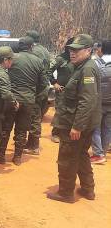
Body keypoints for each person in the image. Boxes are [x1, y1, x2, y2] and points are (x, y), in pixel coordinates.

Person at [47, 34, 100, 203]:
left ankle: (65, 193)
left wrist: (77, 126)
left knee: (67, 158)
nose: (72, 53)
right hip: (82, 122)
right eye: (71, 50)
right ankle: (87, 189)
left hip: (76, 124)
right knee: (81, 155)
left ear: (88, 51)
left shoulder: (87, 69)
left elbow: (87, 100)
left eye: (77, 50)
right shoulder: (82, 66)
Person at [0, 36, 48, 166]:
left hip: (12, 100)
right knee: (22, 129)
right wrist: (33, 94)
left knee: (6, 128)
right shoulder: (38, 61)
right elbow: (43, 83)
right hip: (28, 100)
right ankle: (17, 157)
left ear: (19, 46)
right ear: (31, 47)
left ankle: (1, 155)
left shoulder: (13, 59)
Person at [25, 30, 50, 155]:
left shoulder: (34, 51)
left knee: (34, 117)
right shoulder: (44, 50)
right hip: (42, 88)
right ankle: (30, 143)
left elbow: (35, 71)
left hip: (36, 89)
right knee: (36, 116)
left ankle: (34, 146)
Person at [48, 37, 75, 143]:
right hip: (62, 90)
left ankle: (67, 132)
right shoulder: (61, 58)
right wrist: (54, 83)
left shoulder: (78, 60)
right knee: (60, 111)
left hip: (74, 90)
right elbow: (48, 70)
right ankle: (55, 133)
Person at [90, 40, 111, 164]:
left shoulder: (96, 63)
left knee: (95, 127)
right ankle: (102, 151)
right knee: (108, 128)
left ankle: (98, 154)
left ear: (101, 49)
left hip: (99, 102)